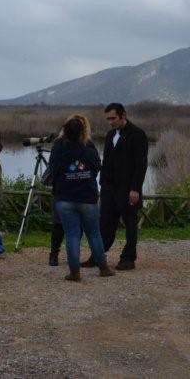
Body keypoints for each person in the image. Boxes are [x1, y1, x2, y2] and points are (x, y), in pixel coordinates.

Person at [83, 103, 148, 271]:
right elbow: (107, 159)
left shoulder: (137, 134)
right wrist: (102, 181)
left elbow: (141, 164)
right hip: (109, 187)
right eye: (108, 119)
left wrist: (135, 188)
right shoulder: (110, 134)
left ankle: (128, 259)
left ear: (123, 115)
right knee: (105, 223)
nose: (110, 122)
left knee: (130, 224)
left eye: (113, 118)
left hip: (128, 188)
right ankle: (97, 256)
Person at [49, 117, 115, 281]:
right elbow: (97, 166)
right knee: (94, 234)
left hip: (65, 197)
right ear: (82, 131)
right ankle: (104, 267)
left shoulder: (59, 148)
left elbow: (52, 169)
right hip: (87, 197)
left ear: (64, 132)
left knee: (71, 235)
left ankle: (74, 272)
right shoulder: (88, 147)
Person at [49, 114, 93, 267]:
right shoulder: (59, 143)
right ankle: (54, 253)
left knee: (77, 225)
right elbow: (53, 165)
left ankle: (73, 255)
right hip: (62, 190)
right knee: (58, 223)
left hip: (80, 190)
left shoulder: (88, 145)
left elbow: (94, 165)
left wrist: (76, 171)